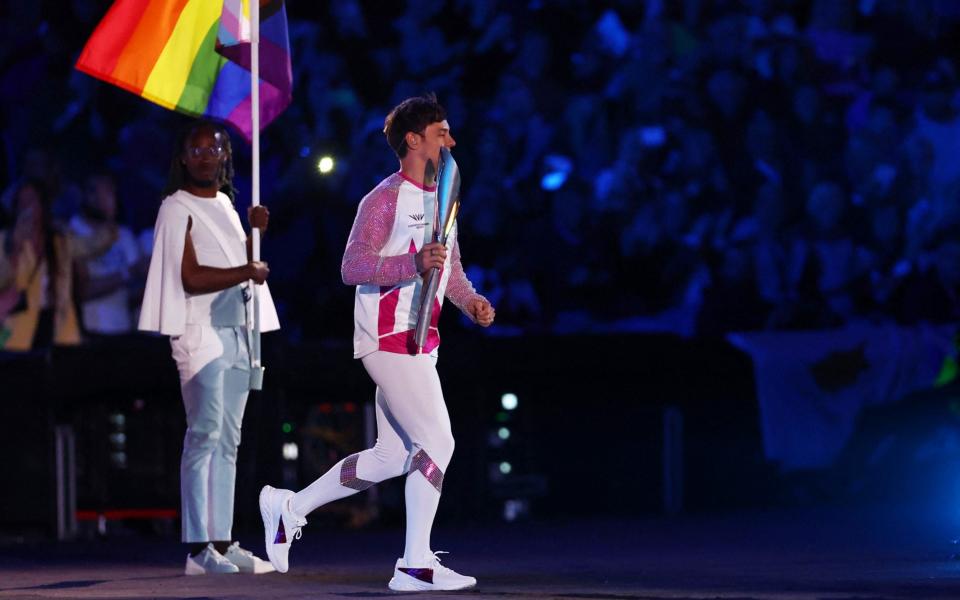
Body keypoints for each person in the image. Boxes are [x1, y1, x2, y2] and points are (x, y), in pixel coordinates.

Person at [258, 94, 495, 592]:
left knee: (391, 456)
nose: (451, 142)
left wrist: (471, 302)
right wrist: (411, 264)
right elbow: (352, 267)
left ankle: (289, 506)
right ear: (413, 140)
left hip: (420, 341)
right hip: (386, 339)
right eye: (441, 133)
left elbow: (449, 269)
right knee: (439, 442)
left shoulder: (443, 198)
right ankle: (414, 563)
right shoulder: (382, 199)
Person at [138, 119, 279, 575]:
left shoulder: (225, 204)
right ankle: (198, 549)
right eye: (195, 150)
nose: (205, 155)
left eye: (214, 148)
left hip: (238, 332)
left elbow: (242, 267)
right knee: (204, 435)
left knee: (229, 440)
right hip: (200, 334)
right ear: (182, 158)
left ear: (225, 156)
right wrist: (247, 269)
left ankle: (224, 540)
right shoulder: (175, 207)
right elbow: (191, 276)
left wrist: (255, 231)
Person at [0, 179, 113, 350]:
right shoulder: (4, 240)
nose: (27, 208)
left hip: (56, 327)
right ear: (14, 209)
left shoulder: (59, 241)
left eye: (31, 201)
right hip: (16, 332)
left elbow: (93, 245)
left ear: (41, 206)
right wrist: (16, 248)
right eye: (22, 202)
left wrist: (108, 215)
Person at [70, 174, 144, 336]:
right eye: (102, 193)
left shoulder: (124, 235)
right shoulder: (71, 234)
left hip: (124, 331)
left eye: (111, 193)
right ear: (86, 196)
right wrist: (127, 273)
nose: (108, 200)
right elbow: (81, 291)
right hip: (89, 333)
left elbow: (132, 292)